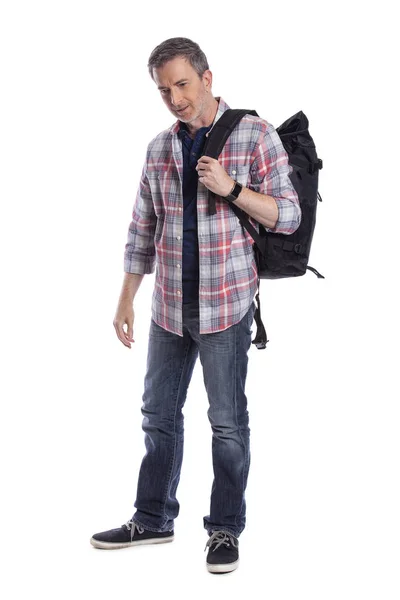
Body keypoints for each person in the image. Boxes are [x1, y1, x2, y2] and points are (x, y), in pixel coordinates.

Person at [90, 37, 301, 574]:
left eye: (182, 84)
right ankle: (153, 517)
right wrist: (125, 299)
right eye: (163, 90)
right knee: (158, 417)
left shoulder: (254, 135)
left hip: (225, 308)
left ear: (208, 78)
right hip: (167, 309)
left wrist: (231, 188)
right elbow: (143, 226)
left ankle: (225, 530)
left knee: (227, 423)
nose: (174, 98)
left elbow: (288, 216)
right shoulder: (160, 147)